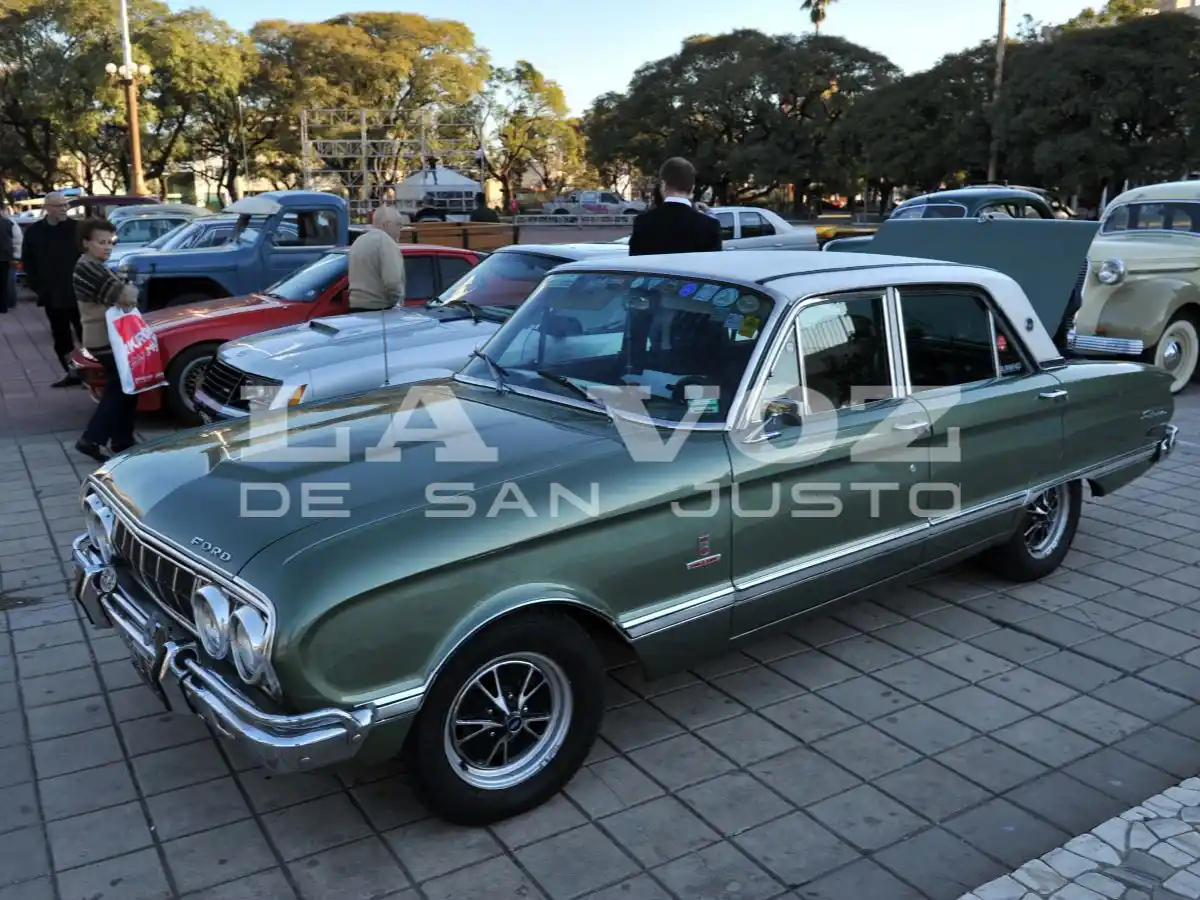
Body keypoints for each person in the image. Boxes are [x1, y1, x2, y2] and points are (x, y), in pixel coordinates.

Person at [74, 218, 140, 462]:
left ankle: (122, 441)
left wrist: (124, 286)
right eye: (101, 242)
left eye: (110, 242)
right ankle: (92, 439)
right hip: (103, 337)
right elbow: (125, 297)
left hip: (109, 335)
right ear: (86, 243)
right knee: (121, 388)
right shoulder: (88, 267)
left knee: (126, 387)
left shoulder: (96, 265)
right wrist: (129, 286)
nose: (107, 247)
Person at [23, 192, 83, 385]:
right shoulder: (34, 232)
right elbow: (28, 262)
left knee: (85, 334)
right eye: (59, 205)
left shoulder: (77, 229)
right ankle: (71, 372)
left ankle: (91, 372)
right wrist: (39, 288)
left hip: (78, 293)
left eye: (66, 205)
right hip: (53, 295)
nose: (64, 209)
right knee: (61, 337)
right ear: (47, 208)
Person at [628, 158, 722, 256]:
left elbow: (635, 264)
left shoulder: (643, 223)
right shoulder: (710, 226)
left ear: (663, 185)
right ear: (692, 188)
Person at [347, 204, 407, 311]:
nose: (400, 230)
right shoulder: (386, 242)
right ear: (386, 225)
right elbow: (392, 282)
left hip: (355, 307)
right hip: (379, 309)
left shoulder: (358, 241)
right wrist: (396, 302)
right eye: (398, 225)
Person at [0, 209, 12, 314]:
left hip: (4, 256)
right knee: (4, 283)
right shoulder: (6, 222)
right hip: (4, 257)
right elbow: (10, 238)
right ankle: (3, 307)